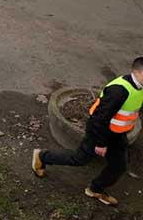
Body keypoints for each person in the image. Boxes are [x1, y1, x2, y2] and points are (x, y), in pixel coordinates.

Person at [33, 58, 143, 205]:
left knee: (119, 166)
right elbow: (99, 119)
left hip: (118, 134)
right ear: (136, 72)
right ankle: (42, 156)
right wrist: (101, 143)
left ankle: (95, 189)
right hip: (100, 132)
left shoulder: (139, 87)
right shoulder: (119, 90)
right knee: (80, 159)